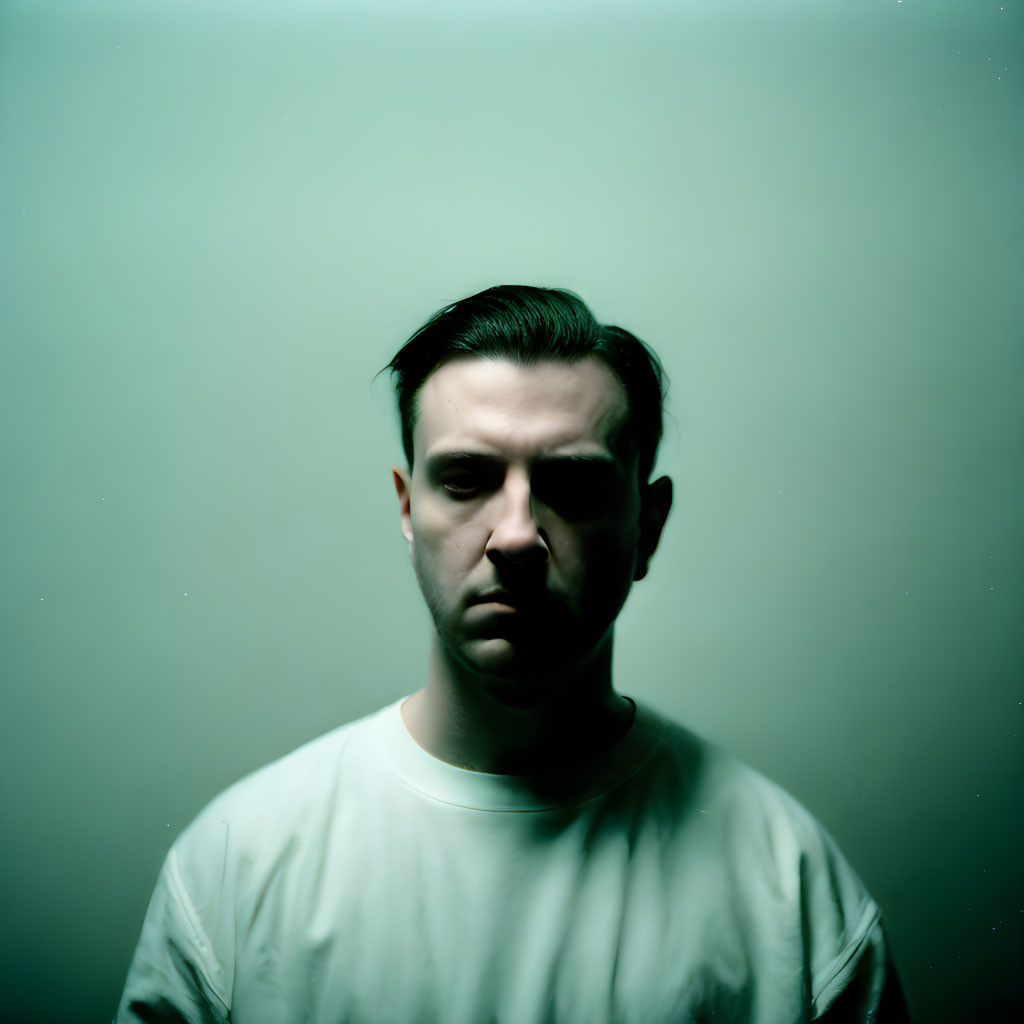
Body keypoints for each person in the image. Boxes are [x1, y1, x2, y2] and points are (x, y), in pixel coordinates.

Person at [117, 285, 909, 1022]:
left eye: (571, 484)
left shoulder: (788, 887)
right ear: (406, 508)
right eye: (466, 478)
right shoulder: (236, 867)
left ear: (649, 525)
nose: (518, 535)